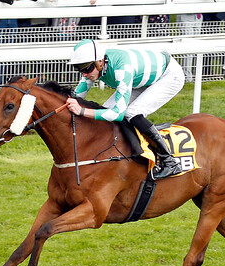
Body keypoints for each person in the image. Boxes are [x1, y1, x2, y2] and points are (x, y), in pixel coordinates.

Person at [65, 38, 186, 178]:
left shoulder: (121, 68)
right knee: (105, 110)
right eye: (79, 69)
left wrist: (82, 111)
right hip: (139, 80)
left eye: (86, 68)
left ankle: (170, 161)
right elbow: (76, 97)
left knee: (131, 113)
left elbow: (118, 114)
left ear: (100, 62)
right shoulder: (94, 66)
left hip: (168, 76)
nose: (84, 74)